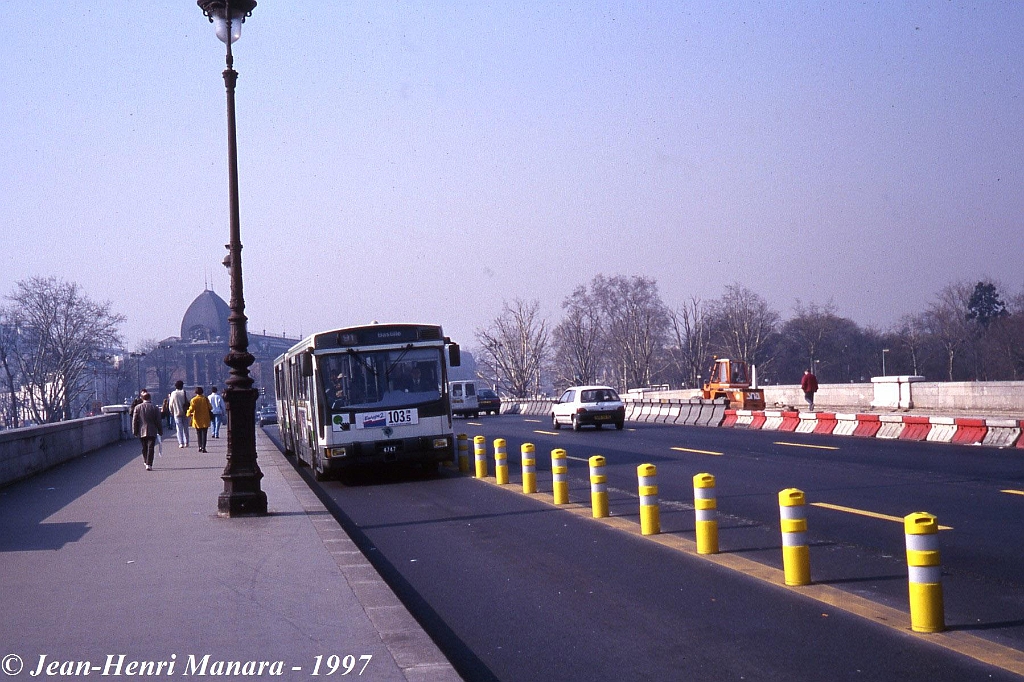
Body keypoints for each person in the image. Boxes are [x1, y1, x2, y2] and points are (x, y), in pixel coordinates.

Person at [131, 391, 163, 471]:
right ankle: (149, 463)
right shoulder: (155, 408)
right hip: (152, 430)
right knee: (151, 447)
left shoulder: (137, 407)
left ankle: (146, 461)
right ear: (150, 398)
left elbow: (134, 420)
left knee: (144, 447)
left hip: (141, 430)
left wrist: (135, 431)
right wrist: (160, 430)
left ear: (142, 398)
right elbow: (158, 421)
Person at [187, 386, 213, 453]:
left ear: (196, 392)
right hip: (205, 418)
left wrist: (188, 414)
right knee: (204, 433)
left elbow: (191, 408)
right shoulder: (205, 399)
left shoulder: (194, 400)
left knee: (198, 433)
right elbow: (210, 407)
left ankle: (200, 446)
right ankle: (204, 447)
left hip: (197, 418)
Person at [168, 380, 190, 448]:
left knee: (179, 429)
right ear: (182, 386)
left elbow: (171, 404)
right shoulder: (184, 392)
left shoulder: (173, 394)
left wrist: (171, 411)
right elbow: (189, 402)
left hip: (177, 413)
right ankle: (187, 442)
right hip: (185, 413)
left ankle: (181, 443)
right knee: (186, 429)